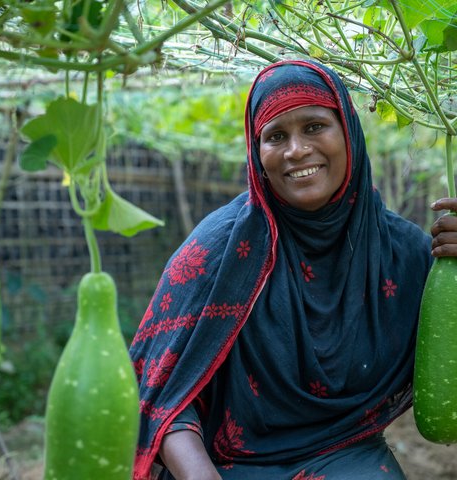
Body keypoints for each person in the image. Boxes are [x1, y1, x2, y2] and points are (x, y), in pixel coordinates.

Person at [129, 59, 457, 480]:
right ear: (256, 151)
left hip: (343, 453)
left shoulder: (402, 253)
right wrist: (200, 475)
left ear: (349, 133)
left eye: (315, 127)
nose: (296, 150)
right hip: (226, 463)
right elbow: (159, 391)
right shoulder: (221, 249)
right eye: (276, 136)